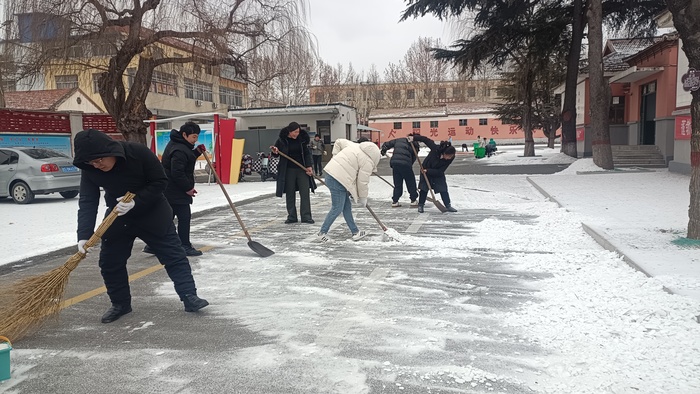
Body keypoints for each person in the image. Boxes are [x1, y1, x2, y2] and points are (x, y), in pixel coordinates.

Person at [73, 129, 208, 324]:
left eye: (99, 159)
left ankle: (189, 297)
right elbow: (87, 200)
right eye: (91, 163)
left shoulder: (138, 153)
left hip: (152, 211)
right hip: (117, 215)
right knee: (110, 263)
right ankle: (120, 304)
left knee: (174, 256)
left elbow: (161, 181)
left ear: (110, 150)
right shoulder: (90, 169)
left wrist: (138, 200)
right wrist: (84, 235)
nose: (97, 165)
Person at [152, 121, 206, 257]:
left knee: (167, 218)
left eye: (197, 136)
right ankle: (184, 245)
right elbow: (178, 172)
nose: (196, 139)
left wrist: (197, 152)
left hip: (170, 189)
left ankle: (154, 244)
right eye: (194, 136)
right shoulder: (179, 149)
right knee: (184, 217)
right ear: (184, 134)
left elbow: (187, 159)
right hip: (175, 190)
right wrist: (188, 188)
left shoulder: (180, 145)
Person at [316, 138, 381, 242]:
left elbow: (338, 141)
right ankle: (322, 233)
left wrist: (335, 157)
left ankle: (355, 232)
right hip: (337, 179)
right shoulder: (368, 162)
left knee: (346, 207)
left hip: (332, 174)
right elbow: (362, 182)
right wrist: (363, 197)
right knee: (337, 208)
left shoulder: (354, 145)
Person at [271, 121, 316, 224]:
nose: (297, 134)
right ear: (289, 132)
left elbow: (307, 154)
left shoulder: (302, 140)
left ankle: (306, 216)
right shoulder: (282, 140)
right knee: (290, 193)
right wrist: (275, 151)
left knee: (305, 192)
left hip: (302, 169)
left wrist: (309, 166)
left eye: (298, 132)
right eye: (295, 132)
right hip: (288, 170)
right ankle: (292, 216)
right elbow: (276, 154)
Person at [411, 134, 458, 213]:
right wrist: (414, 138)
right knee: (424, 188)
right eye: (448, 156)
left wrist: (429, 171)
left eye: (451, 156)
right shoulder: (435, 149)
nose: (449, 158)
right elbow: (425, 139)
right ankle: (421, 205)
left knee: (443, 188)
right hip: (425, 169)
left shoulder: (450, 158)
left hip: (437, 172)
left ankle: (448, 205)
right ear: (444, 153)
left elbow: (441, 171)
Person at [380, 135, 419, 207]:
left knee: (398, 183)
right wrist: (409, 164)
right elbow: (414, 157)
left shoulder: (399, 139)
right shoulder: (415, 144)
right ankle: (413, 200)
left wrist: (383, 150)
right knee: (410, 182)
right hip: (406, 165)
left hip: (395, 163)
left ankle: (395, 201)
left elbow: (386, 144)